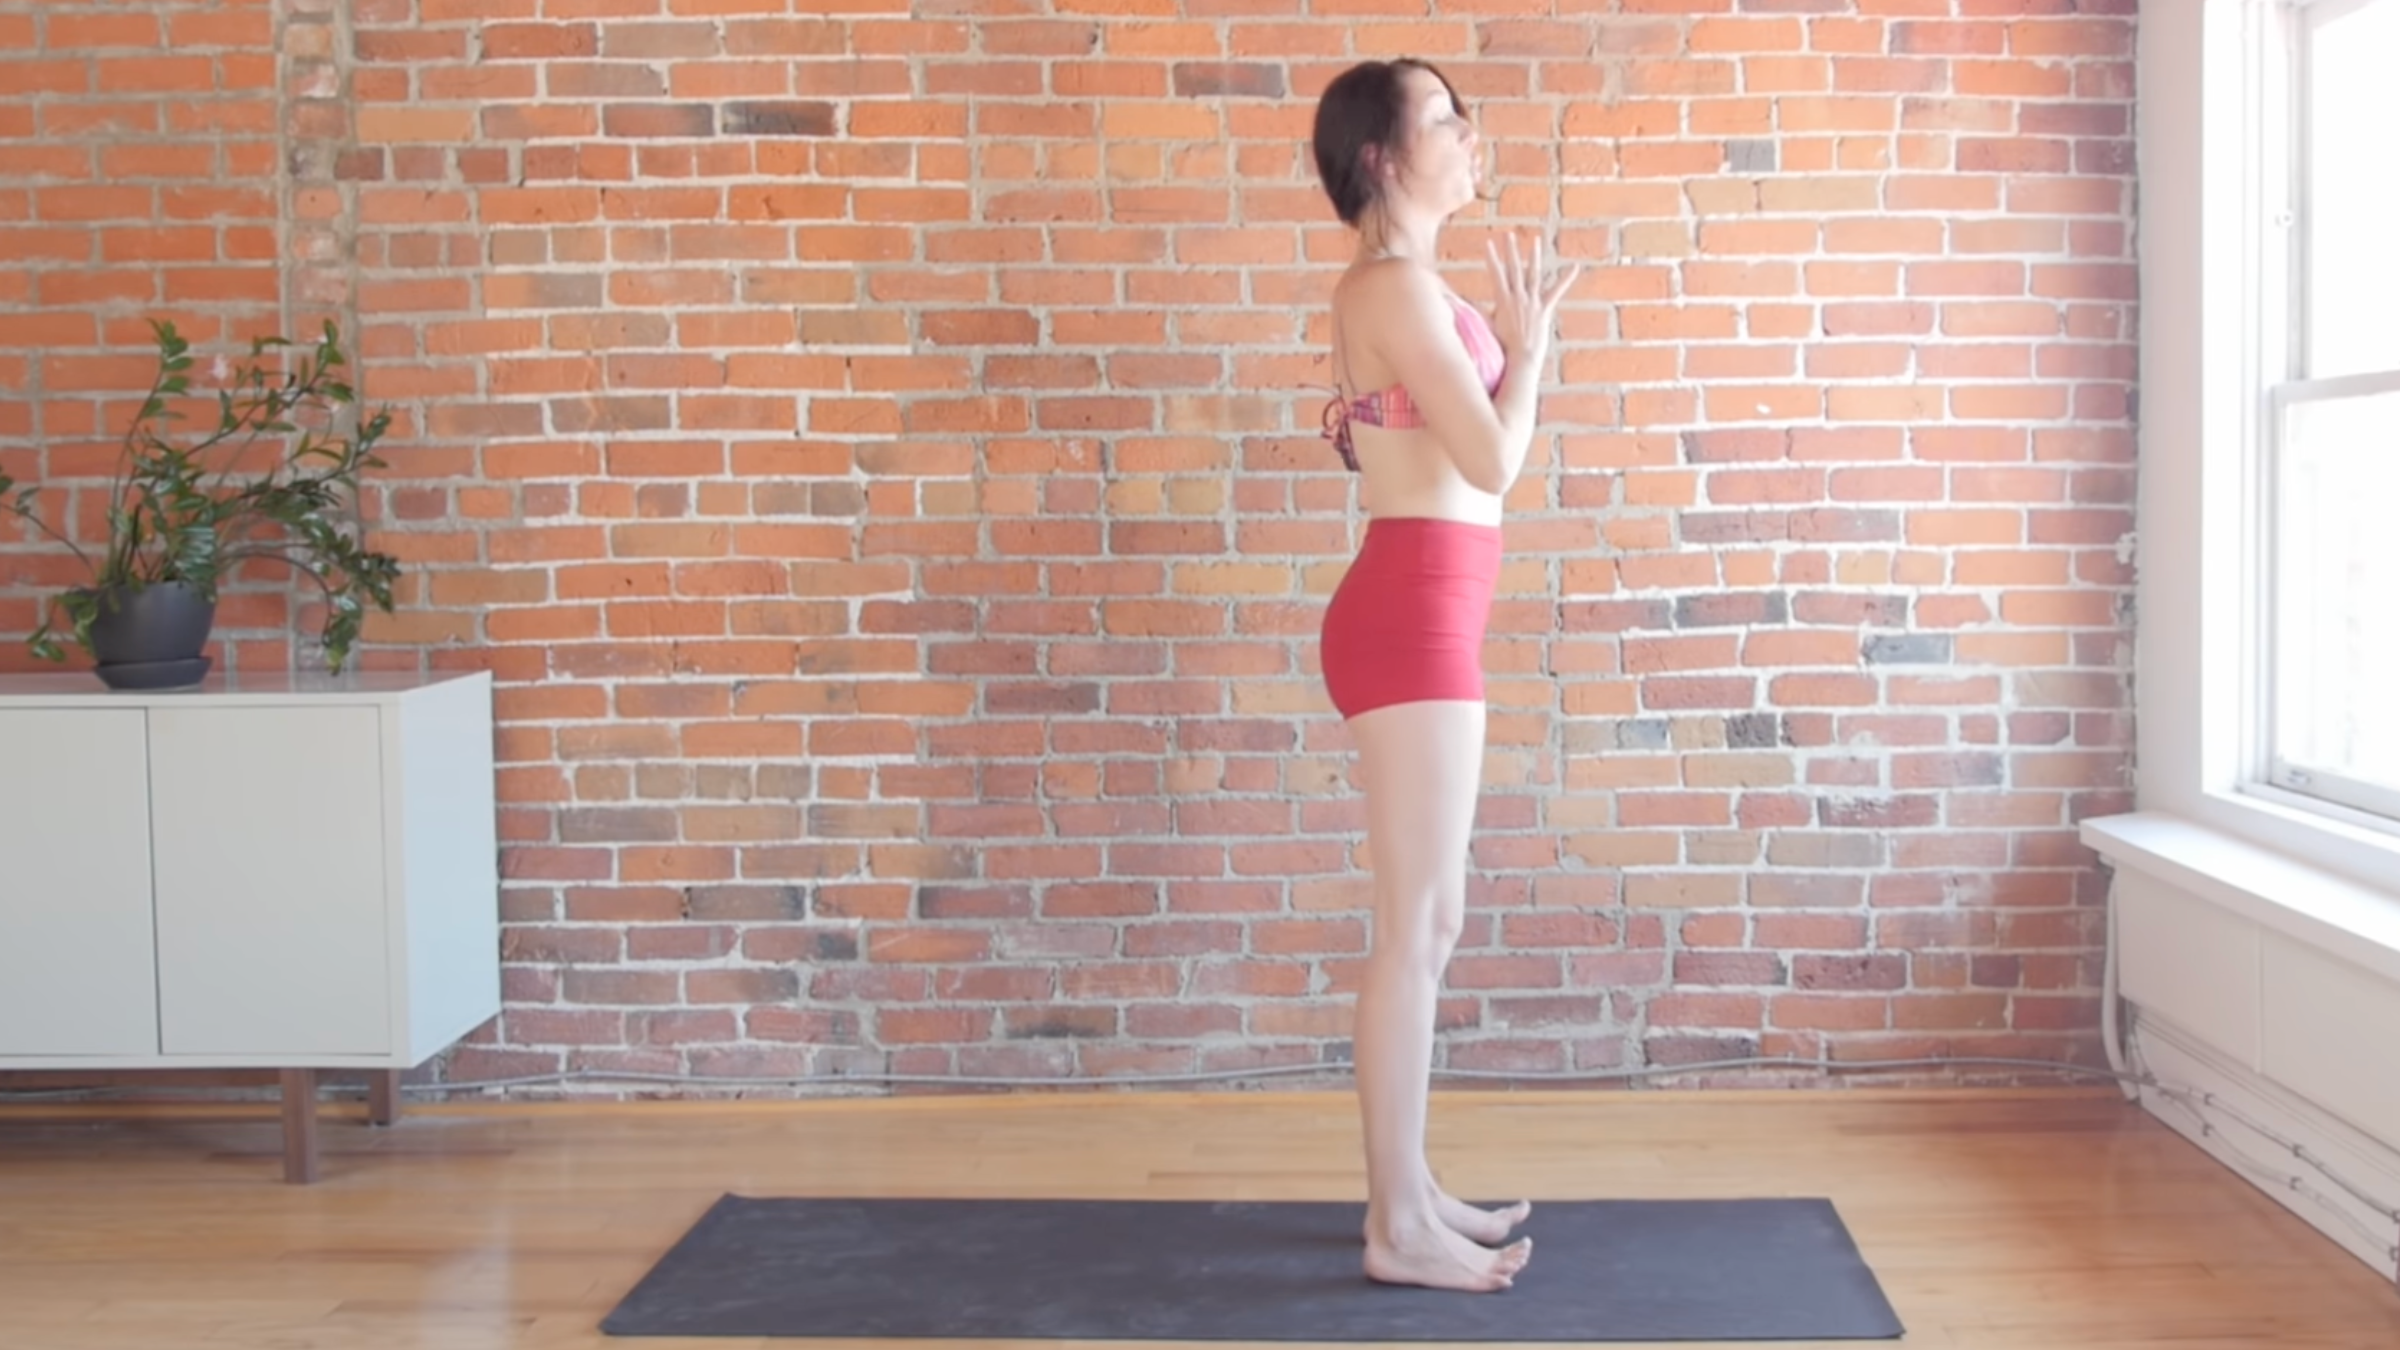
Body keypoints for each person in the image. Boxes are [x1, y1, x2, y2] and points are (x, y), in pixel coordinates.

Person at [1310, 59, 1580, 1293]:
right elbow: (1493, 462)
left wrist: (1510, 352)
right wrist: (1528, 355)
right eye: (1443, 120)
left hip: (1426, 612)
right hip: (1410, 617)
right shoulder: (1393, 286)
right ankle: (1393, 1225)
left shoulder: (1405, 288)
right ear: (1380, 155)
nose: (1472, 136)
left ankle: (1412, 1189)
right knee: (1413, 929)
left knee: (1436, 920)